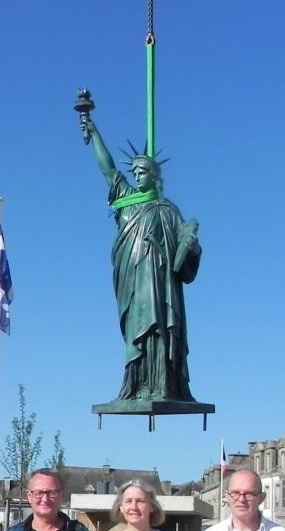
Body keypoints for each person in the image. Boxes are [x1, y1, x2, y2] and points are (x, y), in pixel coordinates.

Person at [80, 108, 201, 403]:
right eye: (133, 171)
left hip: (159, 281)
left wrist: (191, 245)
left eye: (142, 171)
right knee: (137, 331)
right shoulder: (125, 201)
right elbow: (107, 168)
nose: (136, 174)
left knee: (159, 327)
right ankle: (136, 386)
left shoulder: (167, 209)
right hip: (132, 278)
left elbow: (184, 250)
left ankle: (162, 386)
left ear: (155, 174)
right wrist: (92, 130)